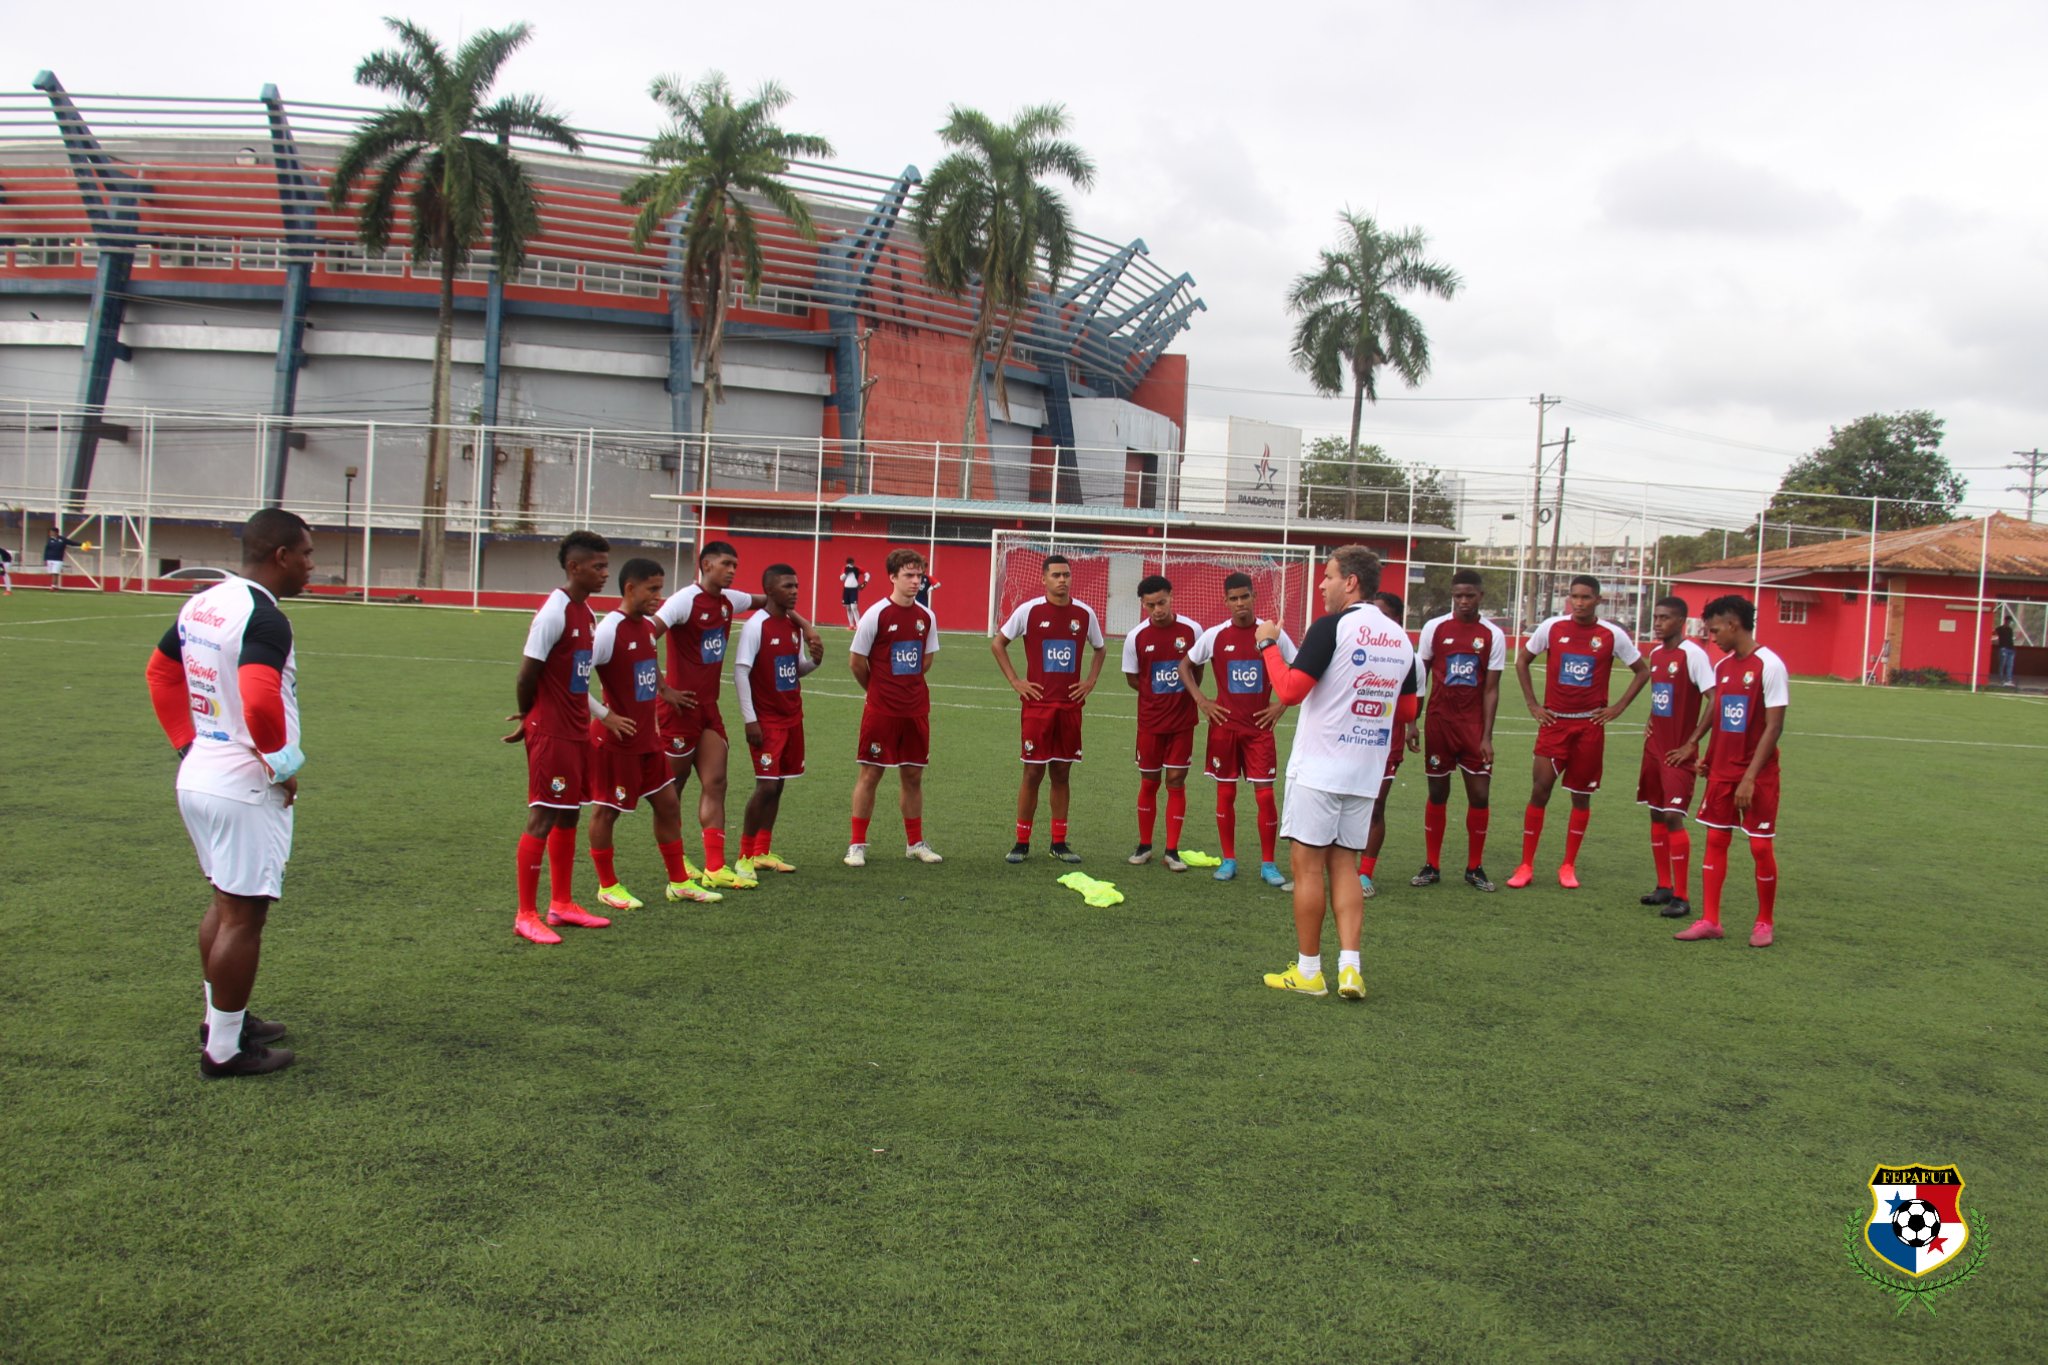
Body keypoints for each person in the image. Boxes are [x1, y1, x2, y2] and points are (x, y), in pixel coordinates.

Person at [143, 508, 315, 1077]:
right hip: (242, 784)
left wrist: (186, 745)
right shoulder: (265, 617)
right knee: (243, 917)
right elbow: (261, 700)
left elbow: (160, 673)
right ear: (281, 556)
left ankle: (223, 1021)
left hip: (201, 773)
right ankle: (224, 1051)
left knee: (225, 905)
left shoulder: (204, 601)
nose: (311, 565)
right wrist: (282, 765)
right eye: (306, 554)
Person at [1257, 547, 1417, 1000]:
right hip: (1365, 771)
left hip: (1320, 769)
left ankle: (1310, 971)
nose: (1321, 585)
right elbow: (1407, 710)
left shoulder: (1332, 626)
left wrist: (1268, 644)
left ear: (1351, 582)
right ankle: (1350, 969)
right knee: (1345, 865)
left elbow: (1289, 691)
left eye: (1327, 576)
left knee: (1307, 868)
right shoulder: (1400, 637)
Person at [654, 541, 822, 891]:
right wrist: (663, 688)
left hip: (709, 709)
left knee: (716, 783)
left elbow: (772, 602)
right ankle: (676, 858)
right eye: (726, 564)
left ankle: (715, 866)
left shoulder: (731, 600)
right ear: (706, 564)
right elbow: (645, 635)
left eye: (735, 565)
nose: (732, 570)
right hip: (679, 709)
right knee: (672, 789)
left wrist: (805, 626)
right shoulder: (685, 600)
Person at [584, 558, 722, 912]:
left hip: (647, 739)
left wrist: (663, 689)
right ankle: (607, 886)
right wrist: (605, 715)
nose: (659, 596)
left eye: (661, 589)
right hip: (616, 742)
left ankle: (679, 883)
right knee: (607, 811)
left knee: (668, 804)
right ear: (630, 588)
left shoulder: (646, 627)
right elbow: (574, 679)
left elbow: (647, 667)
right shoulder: (609, 630)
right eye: (652, 589)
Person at [1506, 575, 1652, 890]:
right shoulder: (1551, 628)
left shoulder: (1612, 634)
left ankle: (1568, 865)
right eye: (1574, 597)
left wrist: (1618, 707)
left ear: (1598, 600)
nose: (1579, 602)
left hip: (1589, 727)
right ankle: (1526, 864)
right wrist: (1533, 704)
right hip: (1554, 724)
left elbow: (1642, 671)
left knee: (1581, 797)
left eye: (1586, 597)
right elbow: (1522, 661)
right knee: (1540, 790)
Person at [505, 531, 615, 946]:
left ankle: (562, 904)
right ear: (574, 567)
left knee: (569, 814)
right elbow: (526, 674)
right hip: (550, 730)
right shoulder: (554, 613)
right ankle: (525, 914)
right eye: (598, 566)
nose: (605, 573)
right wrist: (528, 716)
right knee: (544, 815)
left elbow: (575, 679)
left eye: (606, 565)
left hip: (575, 729)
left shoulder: (585, 611)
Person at [1674, 595, 1790, 948]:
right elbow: (1724, 716)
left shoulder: (1770, 665)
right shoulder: (1723, 667)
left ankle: (1764, 922)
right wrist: (1707, 755)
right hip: (1723, 771)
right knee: (1716, 840)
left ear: (1733, 625)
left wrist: (1750, 777)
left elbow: (1774, 726)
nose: (1711, 638)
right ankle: (1711, 921)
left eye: (1714, 631)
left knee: (1760, 847)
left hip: (1757, 775)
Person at [992, 554, 1107, 863]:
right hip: (1038, 707)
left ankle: (1059, 843)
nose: (1062, 580)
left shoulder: (1084, 613)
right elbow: (998, 643)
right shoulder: (1028, 611)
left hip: (1069, 708)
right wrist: (1016, 680)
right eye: (1056, 575)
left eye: (1066, 574)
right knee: (1032, 773)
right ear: (1044, 579)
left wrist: (1090, 681)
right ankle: (1021, 842)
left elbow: (1100, 649)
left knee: (1061, 773)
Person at [1185, 572, 1295, 888]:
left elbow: (1300, 668)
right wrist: (1202, 701)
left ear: (1254, 597)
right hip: (1225, 729)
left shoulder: (1271, 634)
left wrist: (1281, 705)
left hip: (1259, 730)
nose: (1240, 603)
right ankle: (1229, 859)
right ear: (1226, 601)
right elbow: (1184, 666)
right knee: (1226, 793)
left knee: (1265, 796)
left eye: (1244, 596)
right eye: (1233, 598)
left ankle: (1268, 864)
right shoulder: (1215, 636)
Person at [1408, 568, 1507, 893]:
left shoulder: (1492, 635)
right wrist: (1412, 721)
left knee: (1479, 795)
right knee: (1438, 793)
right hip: (1440, 724)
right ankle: (1431, 865)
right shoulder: (1435, 628)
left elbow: (1491, 689)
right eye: (1458, 596)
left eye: (1470, 596)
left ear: (1480, 596)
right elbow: (1420, 677)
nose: (1464, 601)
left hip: (1473, 728)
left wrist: (1487, 736)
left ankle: (1474, 868)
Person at [847, 548, 945, 866]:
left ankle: (915, 843)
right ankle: (857, 845)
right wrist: (876, 690)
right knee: (871, 774)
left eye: (919, 576)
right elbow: (856, 662)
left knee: (913, 776)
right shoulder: (875, 614)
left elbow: (925, 661)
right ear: (892, 577)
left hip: (915, 710)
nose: (916, 581)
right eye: (909, 575)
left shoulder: (926, 617)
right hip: (881, 711)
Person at [733, 563, 825, 876]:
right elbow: (741, 671)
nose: (794, 591)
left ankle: (762, 851)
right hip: (767, 721)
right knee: (766, 786)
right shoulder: (756, 626)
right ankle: (744, 856)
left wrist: (815, 662)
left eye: (796, 585)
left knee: (779, 784)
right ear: (770, 589)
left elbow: (794, 670)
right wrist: (750, 719)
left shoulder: (793, 627)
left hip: (792, 717)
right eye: (787, 586)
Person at [1636, 595, 1717, 920]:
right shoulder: (1657, 654)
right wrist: (1651, 717)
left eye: (1665, 618)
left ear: (1681, 621)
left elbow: (1715, 699)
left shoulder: (1692, 655)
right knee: (1656, 812)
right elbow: (1663, 695)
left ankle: (1682, 897)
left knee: (1673, 815)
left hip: (1677, 752)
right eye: (1656, 617)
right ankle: (1664, 886)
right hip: (1654, 748)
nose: (1657, 623)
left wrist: (1691, 743)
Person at [1120, 575, 1204, 871]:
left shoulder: (1192, 630)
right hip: (1150, 722)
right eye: (1151, 605)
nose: (1157, 609)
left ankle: (1172, 850)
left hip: (1182, 722)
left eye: (1162, 602)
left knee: (1176, 780)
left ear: (1171, 597)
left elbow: (1197, 672)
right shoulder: (1136, 637)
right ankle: (1144, 845)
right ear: (1143, 605)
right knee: (1149, 781)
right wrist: (1155, 696)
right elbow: (1133, 678)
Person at [1358, 590, 1421, 899]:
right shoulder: (1355, 645)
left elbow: (1414, 703)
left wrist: (1411, 727)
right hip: (1351, 738)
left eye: (1382, 614)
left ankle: (1364, 874)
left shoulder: (1409, 657)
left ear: (1396, 619)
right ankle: (1327, 869)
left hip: (1386, 742)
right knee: (1339, 805)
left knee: (1375, 806)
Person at [44, 525, 81, 590]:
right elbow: (46, 550)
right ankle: (54, 586)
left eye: (51, 532)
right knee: (51, 573)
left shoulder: (62, 539)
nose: (50, 533)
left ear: (56, 532)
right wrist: (45, 559)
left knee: (55, 572)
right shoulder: (50, 540)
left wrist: (81, 544)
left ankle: (53, 586)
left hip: (58, 559)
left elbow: (71, 543)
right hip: (50, 559)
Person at [841, 557, 868, 628]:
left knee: (854, 607)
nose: (849, 565)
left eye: (851, 563)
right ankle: (851, 625)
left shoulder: (857, 569)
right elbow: (841, 578)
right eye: (848, 563)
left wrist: (864, 584)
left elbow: (867, 575)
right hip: (846, 589)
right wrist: (846, 573)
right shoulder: (845, 568)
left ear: (853, 563)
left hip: (853, 589)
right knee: (848, 608)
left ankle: (858, 625)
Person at [1993, 619, 2017, 687]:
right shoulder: (2000, 628)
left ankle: (2009, 679)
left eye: (2010, 622)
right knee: (2002, 664)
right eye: (2008, 621)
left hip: (2011, 648)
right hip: (2004, 648)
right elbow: (1994, 634)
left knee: (2010, 665)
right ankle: (2001, 679)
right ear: (2005, 621)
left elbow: (2011, 639)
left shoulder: (2010, 629)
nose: (2009, 623)